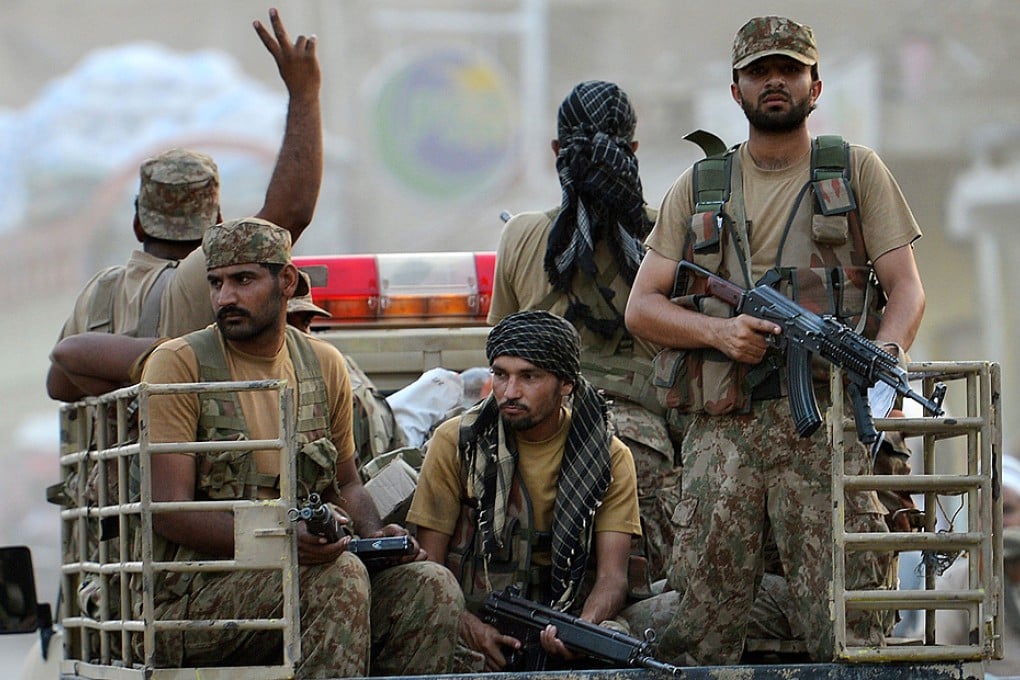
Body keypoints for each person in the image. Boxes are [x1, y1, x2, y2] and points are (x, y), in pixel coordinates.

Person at [624, 16, 926, 665]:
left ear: (815, 84)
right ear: (736, 90)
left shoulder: (856, 171)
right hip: (723, 437)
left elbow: (906, 288)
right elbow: (641, 308)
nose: (775, 83)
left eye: (788, 70)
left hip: (828, 432)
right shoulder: (700, 186)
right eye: (760, 72)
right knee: (701, 625)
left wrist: (887, 363)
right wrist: (721, 332)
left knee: (844, 625)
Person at [136, 217, 464, 677]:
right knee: (338, 578)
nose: (225, 297)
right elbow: (169, 510)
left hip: (305, 572)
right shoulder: (180, 364)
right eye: (216, 283)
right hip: (196, 595)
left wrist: (373, 535)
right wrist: (283, 543)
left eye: (243, 280)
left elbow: (345, 482)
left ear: (286, 281)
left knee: (432, 586)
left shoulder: (321, 364)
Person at [47, 7, 323, 403]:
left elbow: (59, 386)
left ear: (139, 224)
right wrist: (305, 93)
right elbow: (290, 211)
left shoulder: (101, 291)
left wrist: (126, 371)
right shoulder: (206, 273)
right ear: (218, 223)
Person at [488, 80, 680, 581]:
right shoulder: (668, 235)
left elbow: (498, 351)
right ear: (633, 151)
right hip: (642, 443)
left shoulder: (522, 237)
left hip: (529, 434)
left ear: (557, 152)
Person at [407, 310, 643, 672]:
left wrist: (581, 629)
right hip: (473, 614)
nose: (510, 392)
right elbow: (430, 568)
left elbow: (613, 578)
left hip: (567, 613)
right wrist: (470, 627)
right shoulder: (457, 442)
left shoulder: (608, 456)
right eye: (500, 375)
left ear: (566, 384)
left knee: (615, 649)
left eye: (529, 376)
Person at [936, 454, 1020, 677]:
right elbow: (938, 652)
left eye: (1007, 510)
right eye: (985, 513)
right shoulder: (958, 580)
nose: (996, 521)